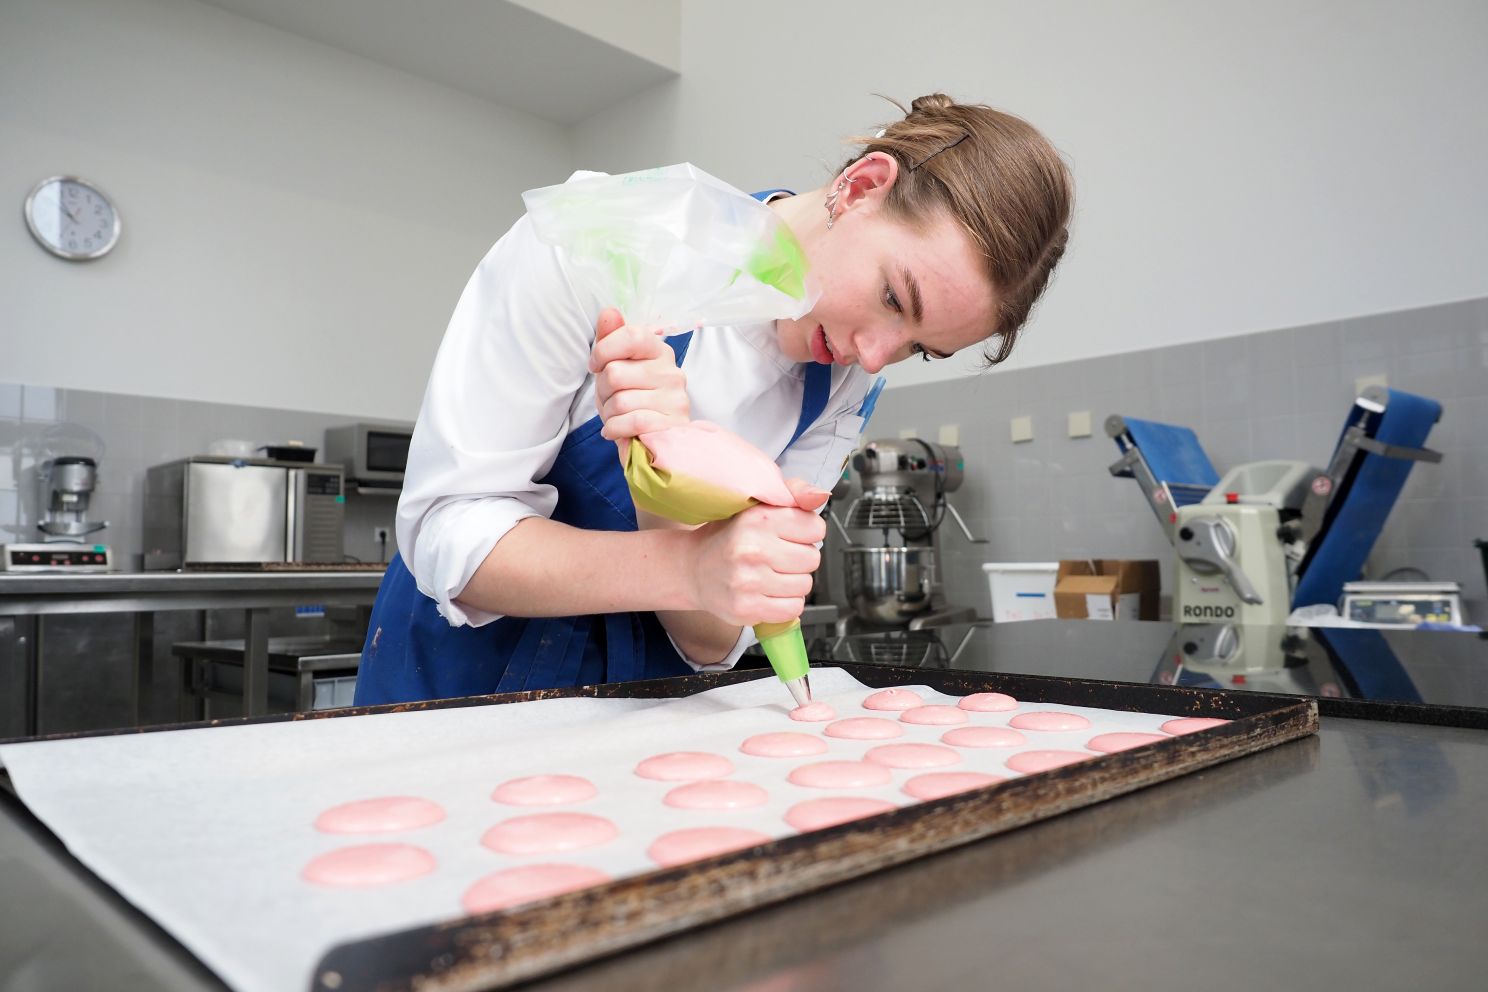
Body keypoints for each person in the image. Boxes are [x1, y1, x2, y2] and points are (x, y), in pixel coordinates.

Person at [355, 94, 1074, 705]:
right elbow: (447, 534)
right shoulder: (599, 240)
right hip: (465, 688)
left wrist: (677, 509)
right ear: (859, 188)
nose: (875, 355)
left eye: (920, 347)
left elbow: (712, 641)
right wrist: (687, 566)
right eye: (894, 297)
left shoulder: (843, 383)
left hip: (643, 716)